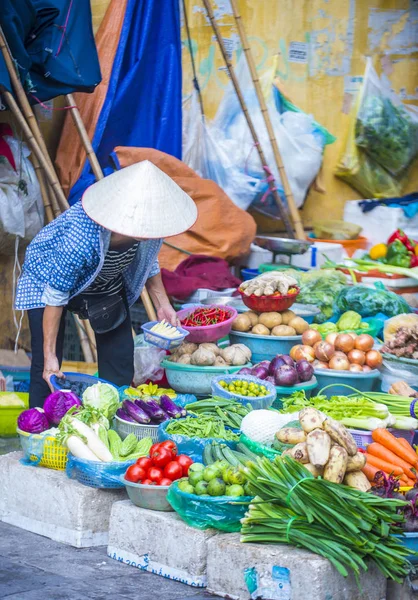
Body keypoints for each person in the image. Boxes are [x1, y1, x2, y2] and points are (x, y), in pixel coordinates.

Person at [15, 160, 197, 407]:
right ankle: (40, 429)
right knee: (46, 368)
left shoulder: (150, 229)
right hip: (47, 281)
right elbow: (56, 295)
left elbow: (149, 261)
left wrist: (163, 304)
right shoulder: (81, 235)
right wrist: (50, 359)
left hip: (103, 281)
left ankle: (113, 418)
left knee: (120, 359)